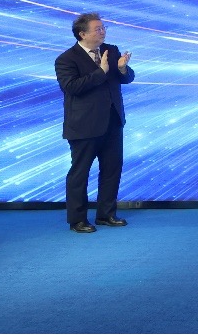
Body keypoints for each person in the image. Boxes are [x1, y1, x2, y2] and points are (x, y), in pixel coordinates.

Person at [54, 12, 135, 233]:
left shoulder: (111, 50)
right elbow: (72, 87)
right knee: (80, 173)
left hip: (113, 121)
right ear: (82, 34)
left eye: (103, 28)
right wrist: (101, 72)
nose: (102, 32)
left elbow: (126, 78)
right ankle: (78, 219)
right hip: (84, 126)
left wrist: (122, 68)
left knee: (111, 170)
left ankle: (106, 214)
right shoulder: (66, 59)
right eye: (97, 29)